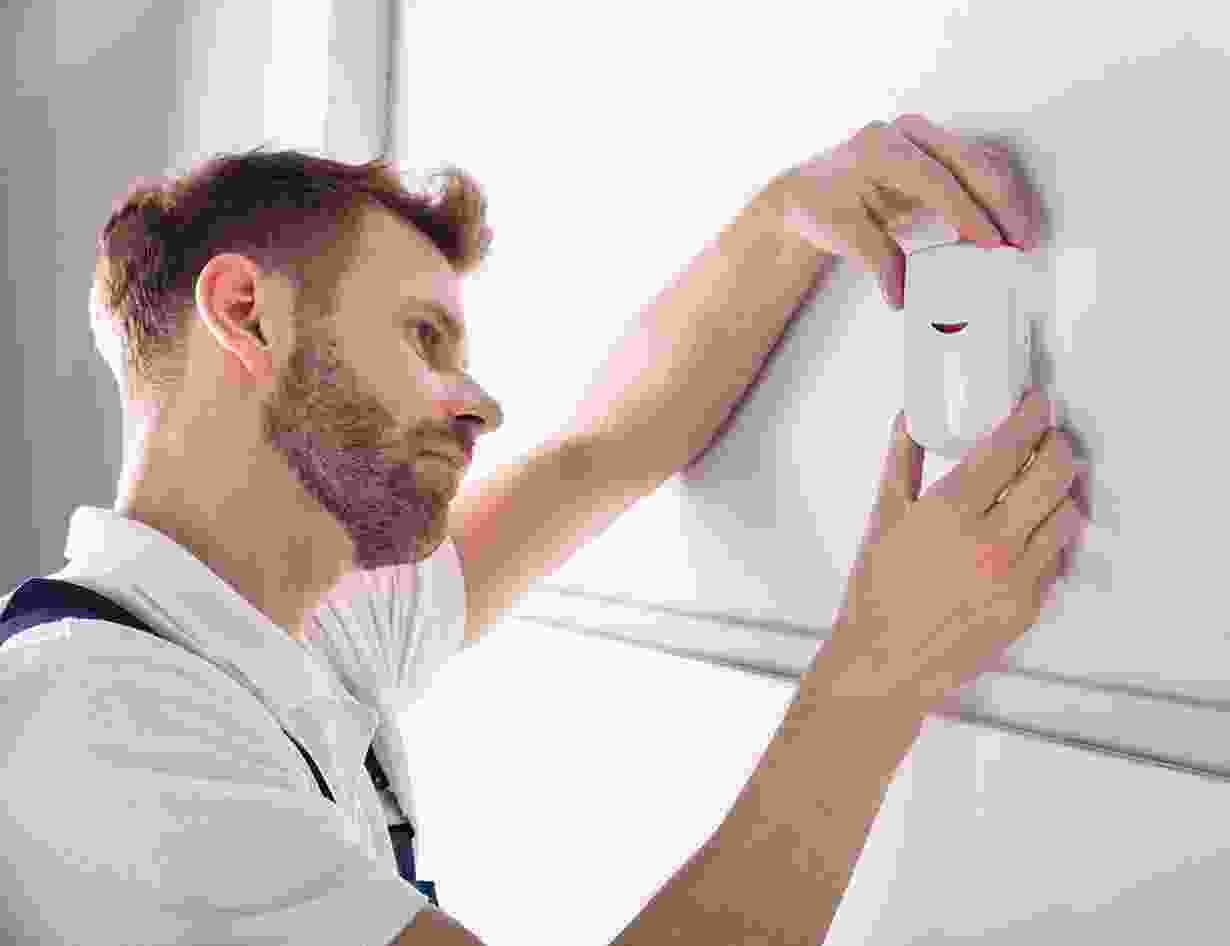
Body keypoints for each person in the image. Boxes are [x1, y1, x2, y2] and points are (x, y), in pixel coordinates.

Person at [2, 136, 1082, 945]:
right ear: (245, 313)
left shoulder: (288, 632)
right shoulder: (96, 727)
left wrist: (789, 218)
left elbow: (603, 450)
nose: (480, 404)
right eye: (424, 335)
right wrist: (880, 673)